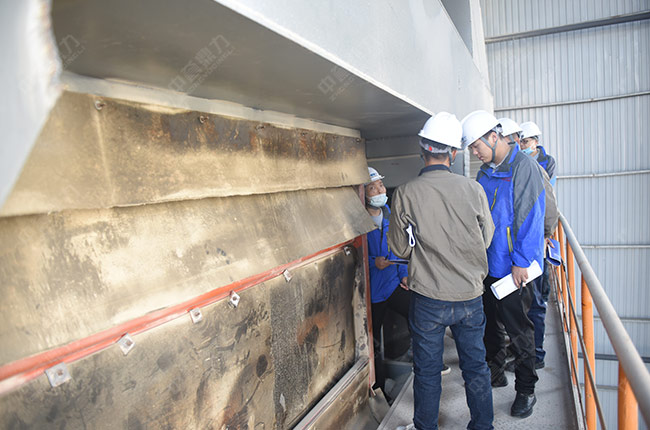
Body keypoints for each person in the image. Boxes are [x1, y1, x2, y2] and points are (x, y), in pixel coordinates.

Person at [388, 112, 495, 430]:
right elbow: (486, 238)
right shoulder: (473, 189)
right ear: (454, 153)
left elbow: (399, 249)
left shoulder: (406, 192)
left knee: (427, 371)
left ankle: (426, 426)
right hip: (469, 296)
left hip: (428, 298)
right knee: (476, 368)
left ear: (422, 150)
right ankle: (482, 426)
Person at [462, 110, 545, 419]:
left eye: (476, 146)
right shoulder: (485, 172)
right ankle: (496, 372)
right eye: (471, 147)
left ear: (493, 137)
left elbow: (531, 216)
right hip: (488, 262)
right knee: (489, 325)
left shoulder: (524, 167)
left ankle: (526, 390)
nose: (475, 152)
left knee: (519, 330)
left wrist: (521, 262)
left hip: (513, 268)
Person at [365, 166, 411, 396]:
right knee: (372, 343)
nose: (380, 191)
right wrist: (373, 262)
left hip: (392, 283)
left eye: (381, 185)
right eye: (372, 188)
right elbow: (351, 255)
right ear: (363, 194)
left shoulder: (389, 214)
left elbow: (398, 248)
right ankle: (379, 388)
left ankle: (425, 361)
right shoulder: (358, 221)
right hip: (372, 292)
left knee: (418, 313)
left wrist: (403, 274)